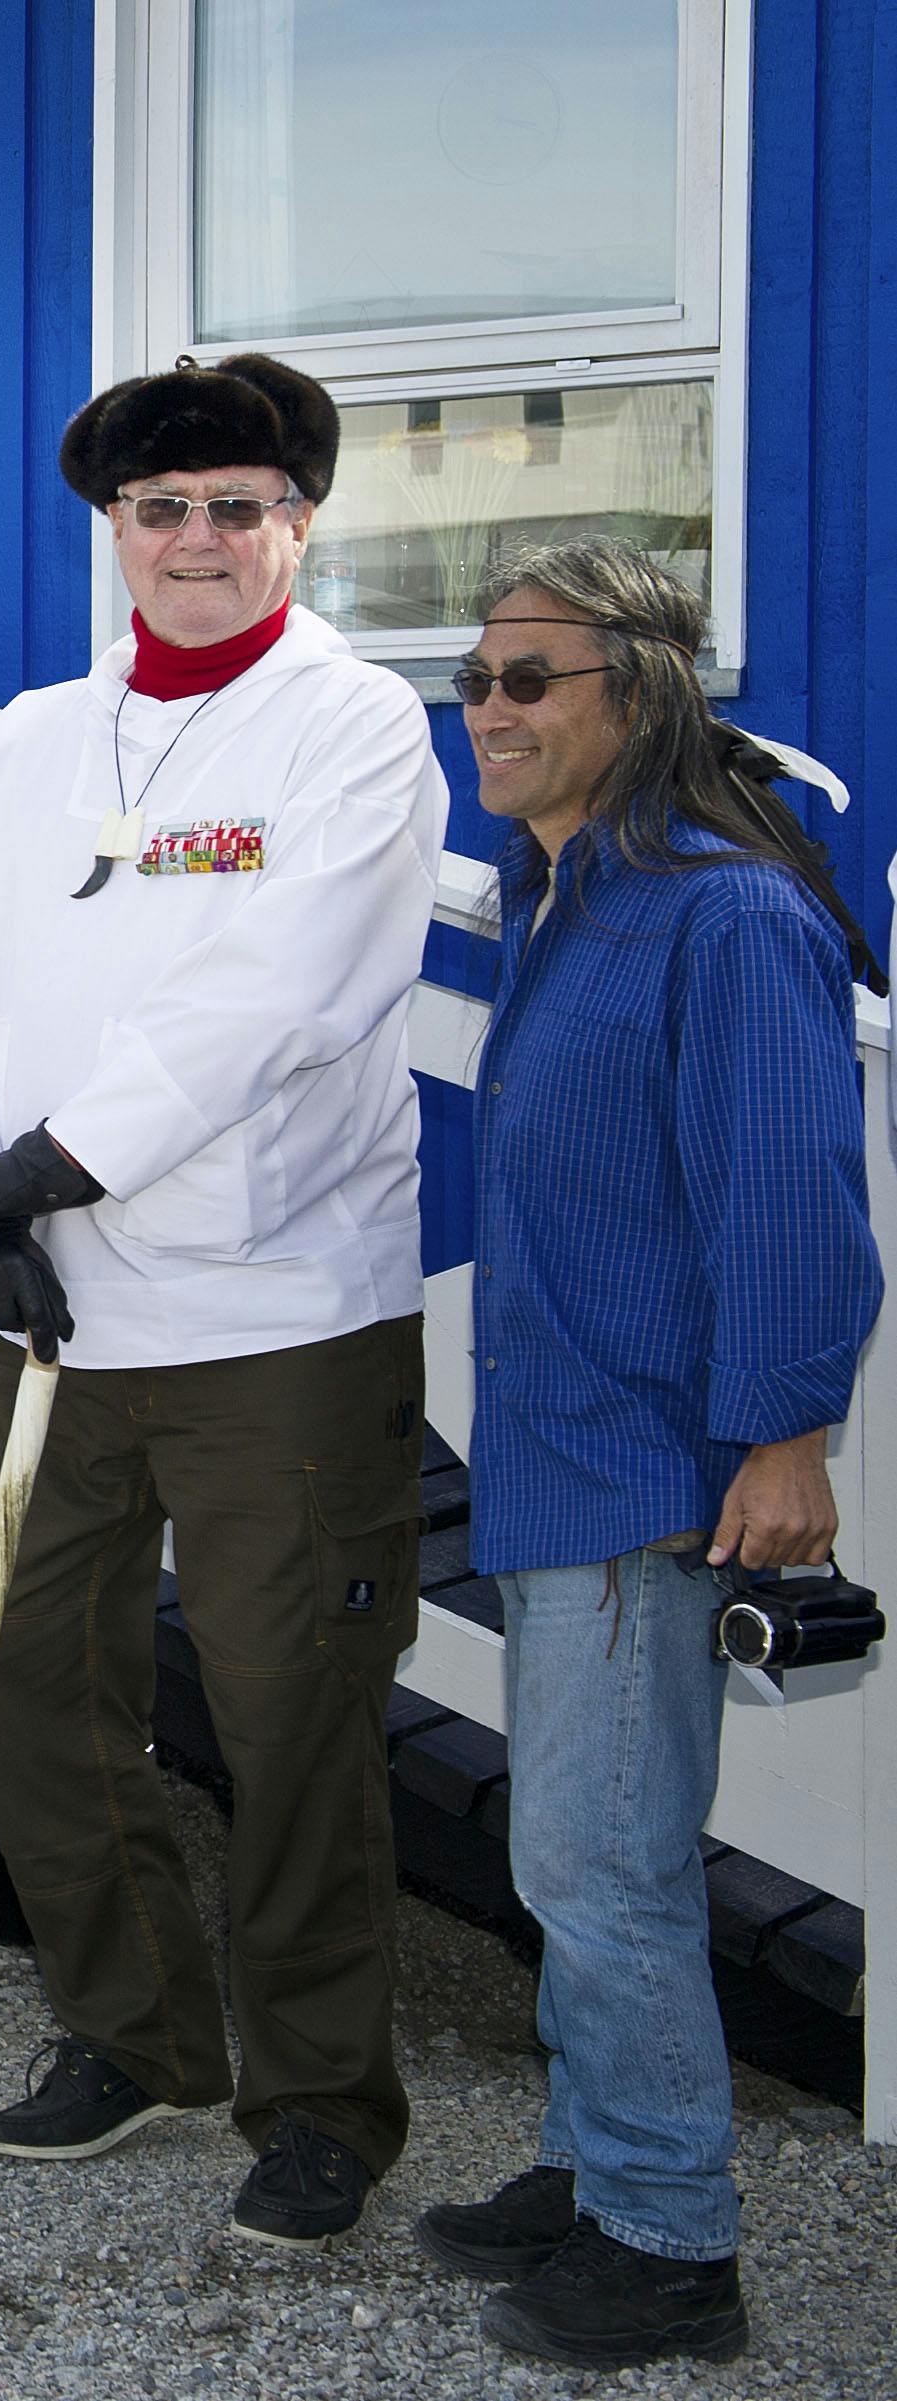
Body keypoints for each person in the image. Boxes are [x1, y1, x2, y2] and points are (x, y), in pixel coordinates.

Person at [0, 353, 449, 2248]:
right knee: (27, 1683)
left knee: (291, 1718)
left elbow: (274, 992)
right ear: (109, 530)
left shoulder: (351, 728)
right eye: (156, 511)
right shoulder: (35, 733)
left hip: (273, 1307)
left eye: (232, 507)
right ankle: (133, 2031)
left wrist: (54, 1163)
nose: (193, 541)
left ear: (294, 522)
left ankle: (314, 2103)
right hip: (52, 1304)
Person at [411, 542, 882, 2368]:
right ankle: (590, 2152)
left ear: (640, 696)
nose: (486, 710)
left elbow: (787, 1196)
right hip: (556, 1445)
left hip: (651, 1465)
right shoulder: (563, 900)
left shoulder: (721, 914)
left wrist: (782, 1432)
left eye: (527, 679)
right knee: (581, 1843)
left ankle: (668, 2238)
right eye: (472, 679)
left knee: (595, 1865)